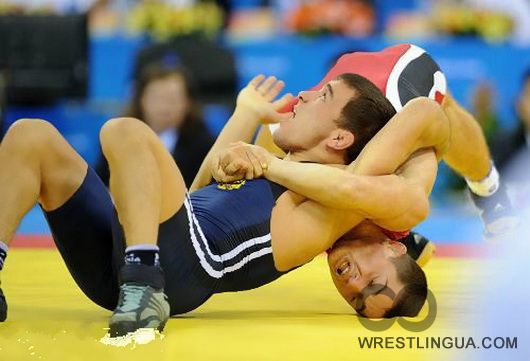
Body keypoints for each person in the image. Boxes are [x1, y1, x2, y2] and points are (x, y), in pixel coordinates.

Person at [0, 70, 439, 335]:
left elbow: (423, 116)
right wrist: (245, 114)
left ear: (341, 138)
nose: (305, 95)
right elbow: (191, 203)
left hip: (177, 275)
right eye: (373, 286)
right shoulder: (281, 166)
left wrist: (268, 163)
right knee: (30, 135)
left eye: (324, 96)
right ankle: (135, 279)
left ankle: (141, 281)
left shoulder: (337, 206)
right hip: (138, 265)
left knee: (125, 132)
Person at [253, 44, 514, 240]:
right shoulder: (278, 132)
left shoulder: (278, 129)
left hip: (397, 79)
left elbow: (430, 134)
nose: (353, 285)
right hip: (351, 148)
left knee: (441, 114)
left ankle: (489, 188)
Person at [94, 63, 215, 187]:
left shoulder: (203, 143)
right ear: (141, 100)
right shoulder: (119, 138)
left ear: (188, 103)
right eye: (156, 99)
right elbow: (102, 184)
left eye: (172, 100)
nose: (164, 107)